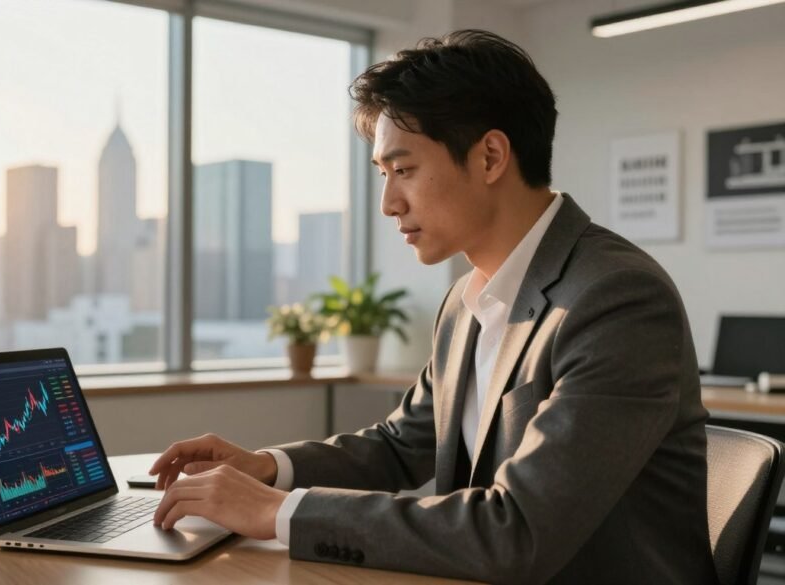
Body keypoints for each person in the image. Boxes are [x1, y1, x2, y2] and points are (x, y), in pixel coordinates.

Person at [149, 30, 718, 584]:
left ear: (491, 156)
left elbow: (518, 530)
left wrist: (277, 512)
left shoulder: (616, 298)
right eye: (381, 174)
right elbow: (404, 445)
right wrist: (267, 469)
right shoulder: (467, 299)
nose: (389, 203)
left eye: (404, 170)